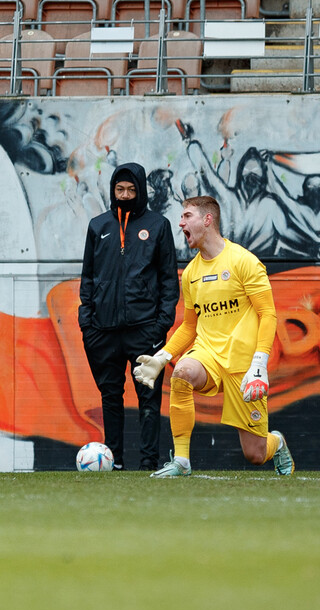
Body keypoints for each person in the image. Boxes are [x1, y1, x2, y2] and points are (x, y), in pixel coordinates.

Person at [132, 196, 295, 477]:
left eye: (186, 216)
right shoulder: (191, 273)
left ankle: (276, 442)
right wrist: (163, 357)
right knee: (181, 373)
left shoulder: (244, 261)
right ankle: (181, 461)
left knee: (255, 454)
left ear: (207, 220)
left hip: (244, 364)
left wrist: (259, 363)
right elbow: (189, 327)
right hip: (207, 354)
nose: (180, 222)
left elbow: (268, 314)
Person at [78, 163, 179, 471]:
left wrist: (161, 325)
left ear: (141, 191)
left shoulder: (158, 225)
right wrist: (87, 322)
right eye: (119, 190)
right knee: (110, 396)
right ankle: (114, 461)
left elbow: (168, 280)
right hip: (103, 331)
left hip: (145, 330)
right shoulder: (98, 226)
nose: (125, 195)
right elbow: (88, 278)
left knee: (148, 399)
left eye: (131, 190)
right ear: (113, 191)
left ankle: (149, 462)